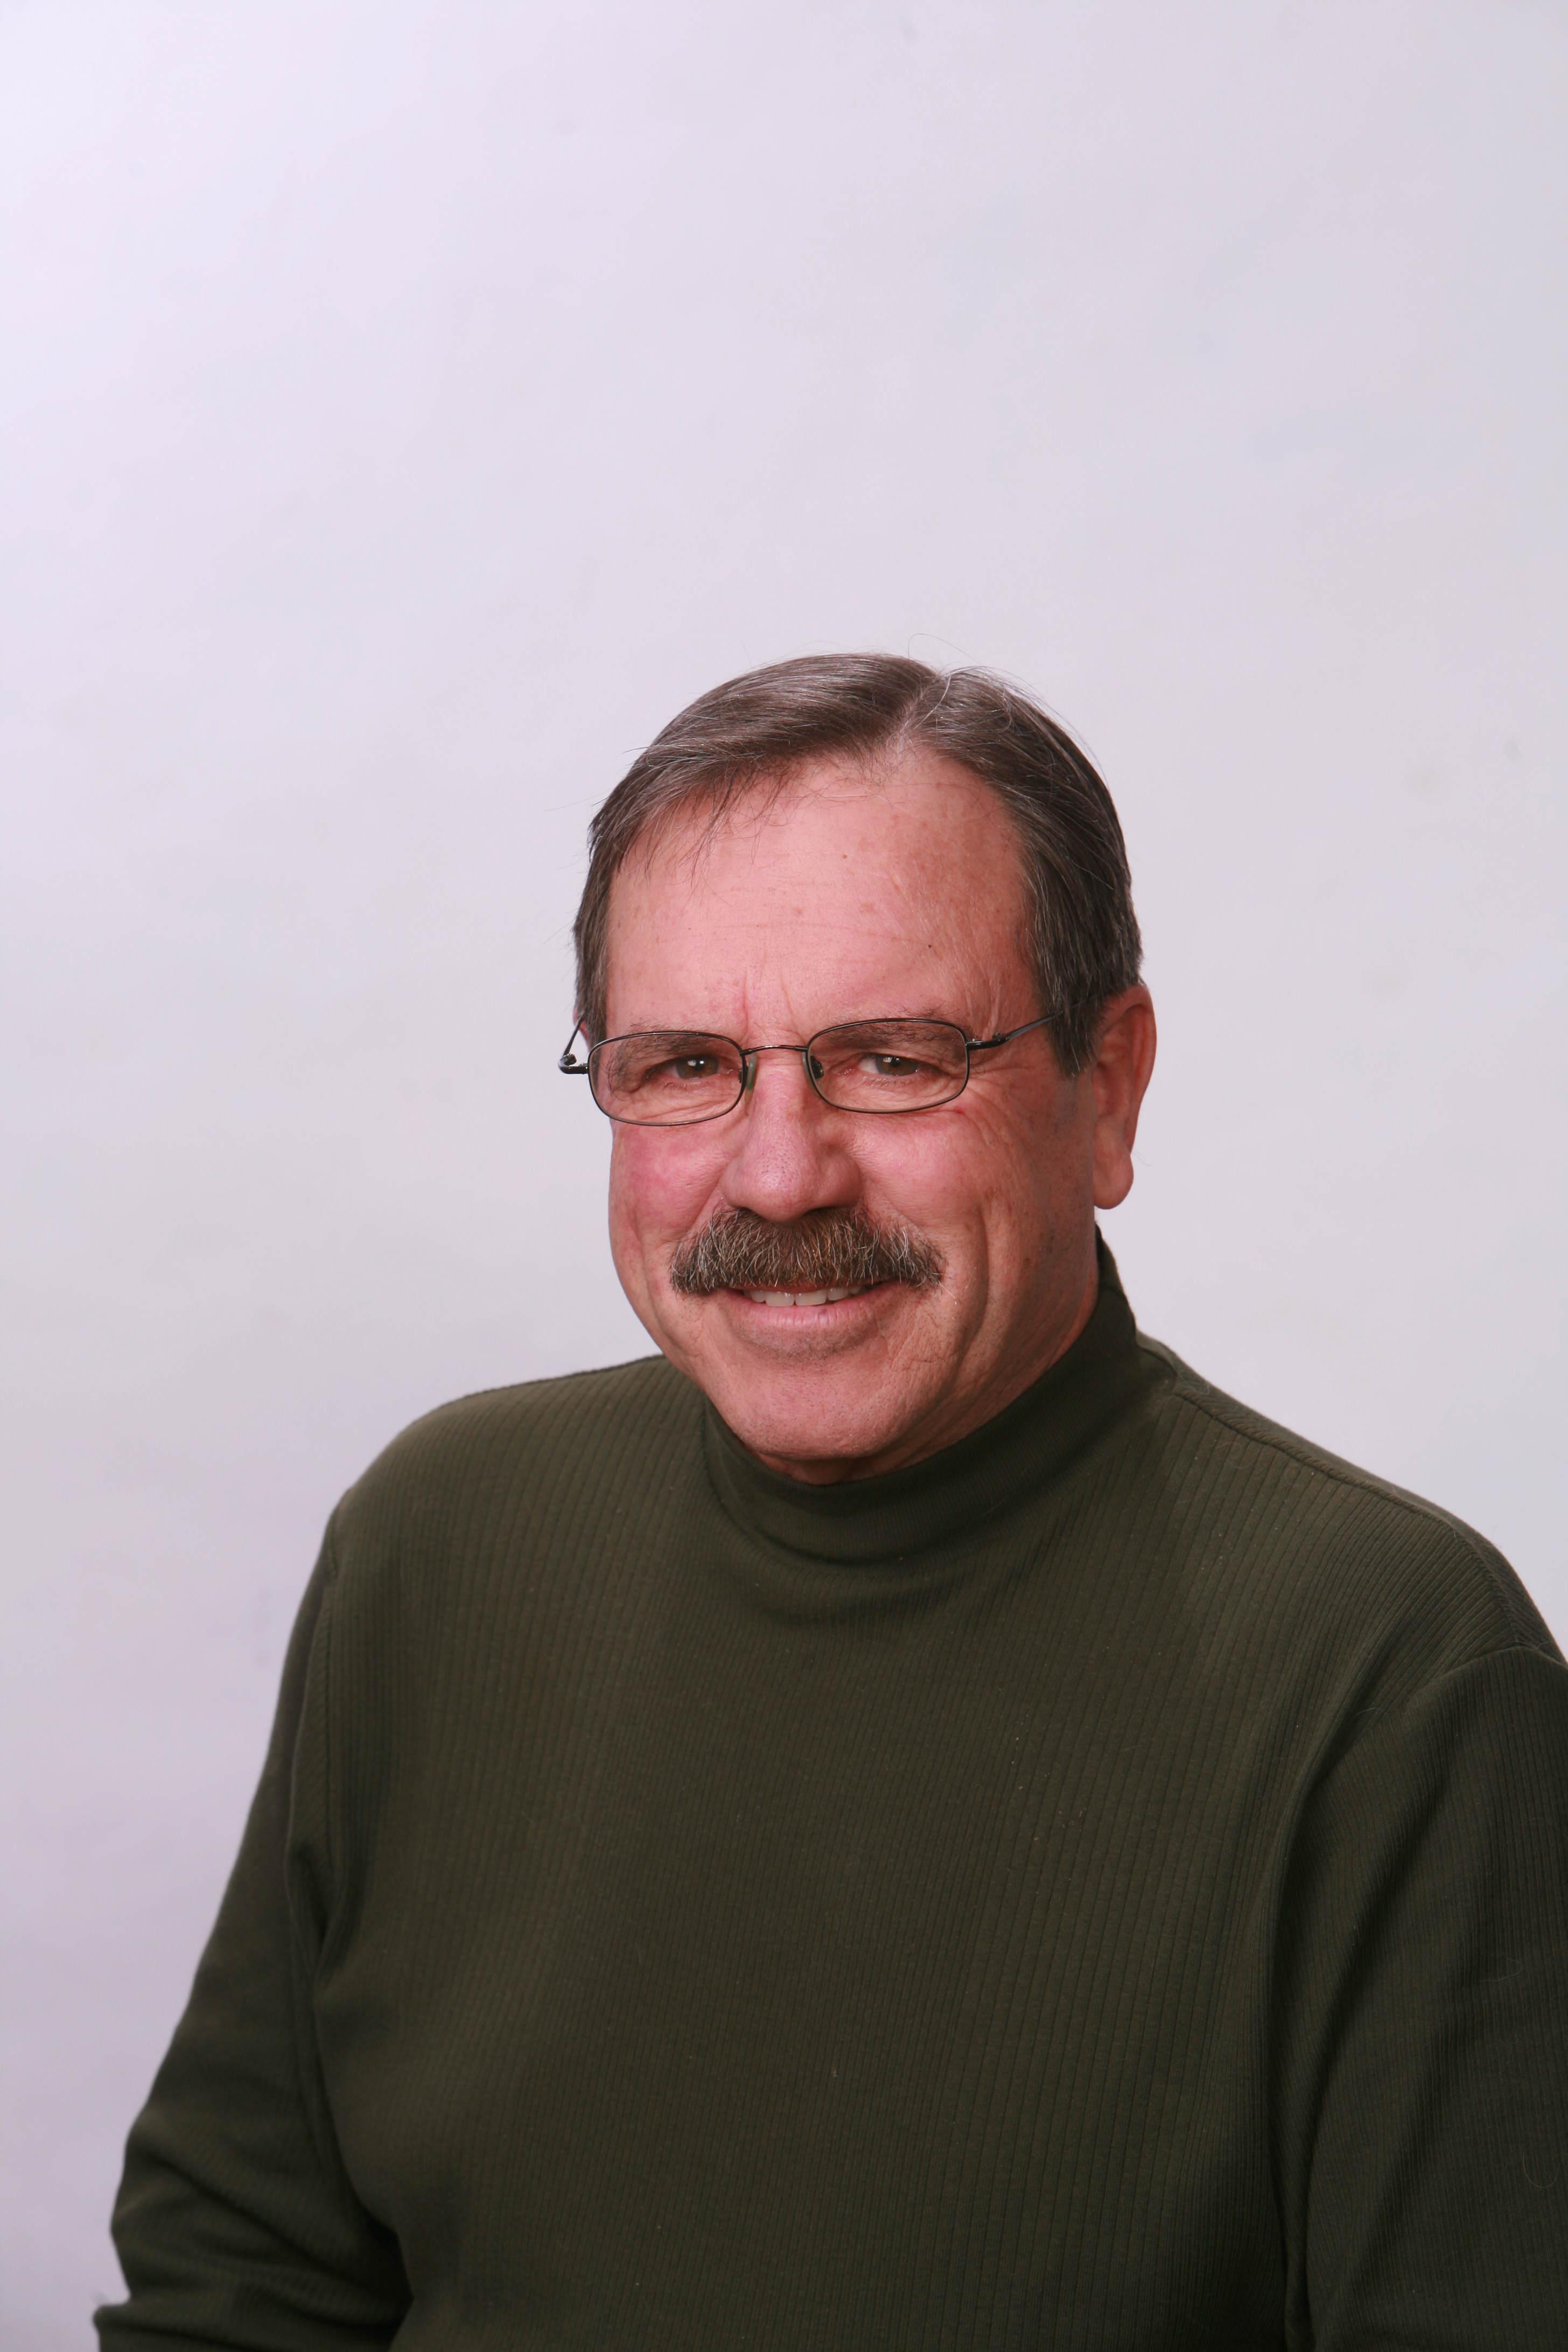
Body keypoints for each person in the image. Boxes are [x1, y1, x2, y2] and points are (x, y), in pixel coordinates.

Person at [98, 656, 1568, 2350]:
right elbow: (242, 2290)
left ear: (1108, 1087)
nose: (782, 1171)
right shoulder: (439, 1545)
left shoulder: (1397, 1679)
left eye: (890, 1058)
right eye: (684, 1064)